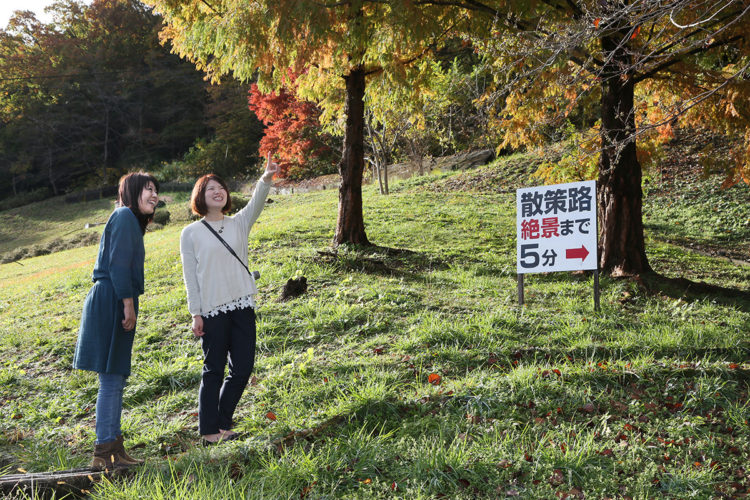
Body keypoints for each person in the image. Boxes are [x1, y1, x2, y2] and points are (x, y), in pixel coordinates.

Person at [180, 154, 278, 445]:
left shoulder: (238, 223)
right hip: (211, 310)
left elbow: (257, 203)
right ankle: (210, 431)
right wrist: (195, 313)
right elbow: (190, 277)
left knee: (243, 367)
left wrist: (266, 177)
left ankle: (221, 422)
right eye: (210, 188)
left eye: (220, 186)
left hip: (243, 306)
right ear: (201, 196)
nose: (217, 191)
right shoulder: (190, 233)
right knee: (214, 370)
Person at [73, 172, 159, 469]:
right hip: (113, 298)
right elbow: (118, 264)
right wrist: (127, 303)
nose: (154, 195)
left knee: (115, 377)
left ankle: (113, 449)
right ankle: (105, 453)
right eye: (148, 189)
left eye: (155, 190)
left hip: (114, 297)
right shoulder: (123, 215)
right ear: (132, 191)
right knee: (111, 378)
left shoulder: (128, 220)